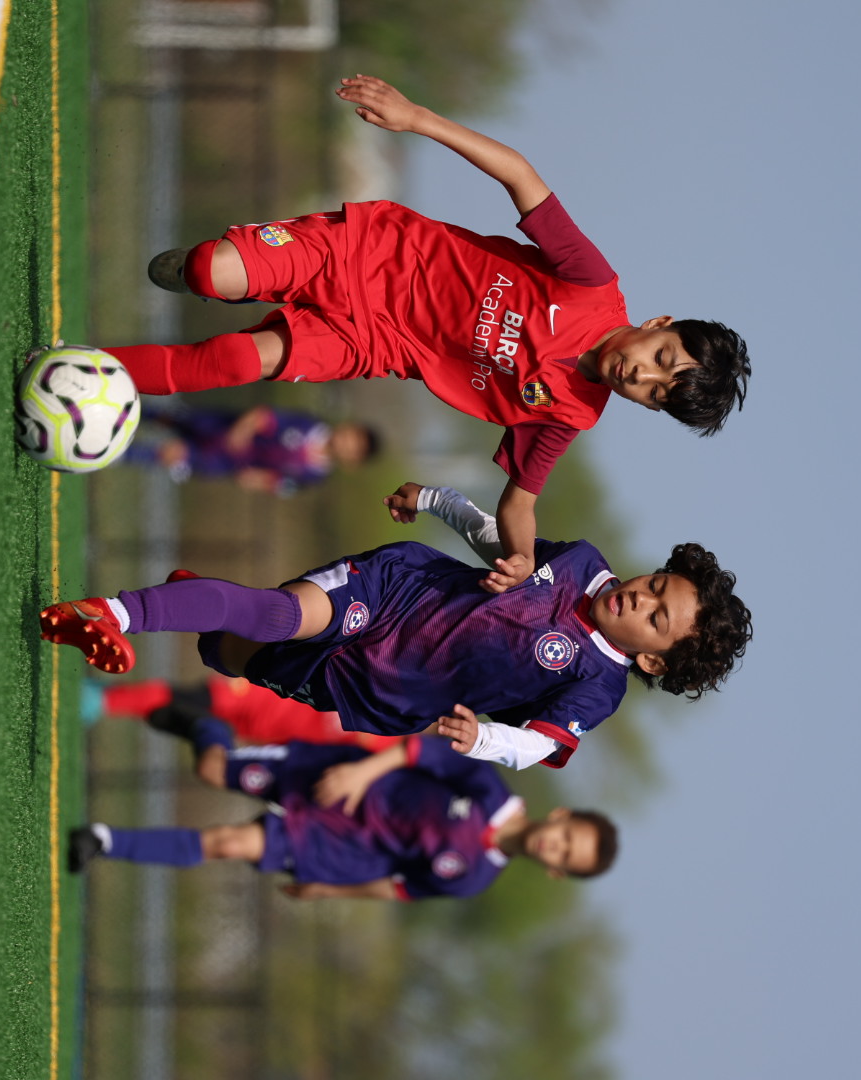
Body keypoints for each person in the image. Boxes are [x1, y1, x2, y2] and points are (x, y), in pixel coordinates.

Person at [101, 73, 751, 592]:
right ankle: (203, 267)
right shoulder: (591, 284)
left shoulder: (571, 413)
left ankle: (83, 372)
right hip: (371, 251)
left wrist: (521, 559)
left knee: (237, 362)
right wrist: (417, 120)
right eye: (662, 357)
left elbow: (518, 506)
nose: (643, 376)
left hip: (376, 344)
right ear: (658, 324)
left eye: (658, 394)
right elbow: (521, 176)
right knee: (210, 272)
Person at [43, 482, 752, 770]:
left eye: (659, 617)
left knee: (232, 652)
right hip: (397, 592)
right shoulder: (583, 564)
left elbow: (539, 745)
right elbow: (499, 544)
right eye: (657, 584)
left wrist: (485, 740)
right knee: (281, 614)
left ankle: (197, 602)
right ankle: (110, 613)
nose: (642, 597)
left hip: (378, 690)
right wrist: (440, 501)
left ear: (655, 661)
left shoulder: (596, 686)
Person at [66, 716, 619, 900]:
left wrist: (328, 888)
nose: (557, 845)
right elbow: (418, 749)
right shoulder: (491, 790)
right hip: (338, 781)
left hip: (342, 847)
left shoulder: (471, 878)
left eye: (565, 857)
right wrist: (361, 770)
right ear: (562, 818)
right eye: (567, 837)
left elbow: (397, 887)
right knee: (211, 768)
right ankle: (201, 723)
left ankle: (102, 841)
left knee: (229, 843)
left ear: (555, 869)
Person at [88, 672, 402, 751]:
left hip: (257, 728)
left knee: (176, 712)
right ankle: (102, 701)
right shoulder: (385, 687)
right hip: (257, 695)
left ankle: (106, 700)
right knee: (185, 698)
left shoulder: (387, 744)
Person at [122, 403, 379, 496]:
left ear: (352, 460)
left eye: (353, 448)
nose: (346, 442)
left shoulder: (313, 475)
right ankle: (119, 409)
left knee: (167, 454)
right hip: (218, 427)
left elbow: (278, 482)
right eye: (352, 436)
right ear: (348, 427)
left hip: (221, 461)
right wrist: (241, 430)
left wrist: (255, 480)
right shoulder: (309, 424)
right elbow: (263, 416)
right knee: (165, 418)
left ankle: (110, 454)